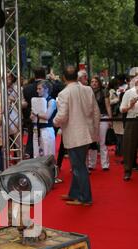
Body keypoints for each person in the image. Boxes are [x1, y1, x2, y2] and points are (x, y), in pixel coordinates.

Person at [53, 66, 100, 206]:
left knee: (79, 167)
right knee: (78, 165)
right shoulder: (88, 89)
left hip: (74, 136)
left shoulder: (64, 93)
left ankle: (85, 198)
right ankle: (74, 193)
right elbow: (96, 111)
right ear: (77, 76)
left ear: (64, 78)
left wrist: (54, 122)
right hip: (86, 133)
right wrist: (94, 131)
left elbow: (62, 116)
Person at [120, 75, 138, 181]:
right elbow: (122, 109)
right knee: (129, 146)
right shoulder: (128, 93)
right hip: (132, 120)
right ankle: (127, 171)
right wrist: (130, 106)